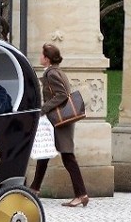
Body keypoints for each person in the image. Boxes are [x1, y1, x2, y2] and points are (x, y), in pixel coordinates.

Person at [28, 43, 89, 207]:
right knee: (45, 152)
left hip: (60, 120)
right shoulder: (55, 71)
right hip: (58, 120)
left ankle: (81, 194)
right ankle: (34, 189)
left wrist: (44, 108)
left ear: (46, 58)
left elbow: (62, 94)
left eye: (42, 55)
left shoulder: (52, 73)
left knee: (68, 157)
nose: (40, 57)